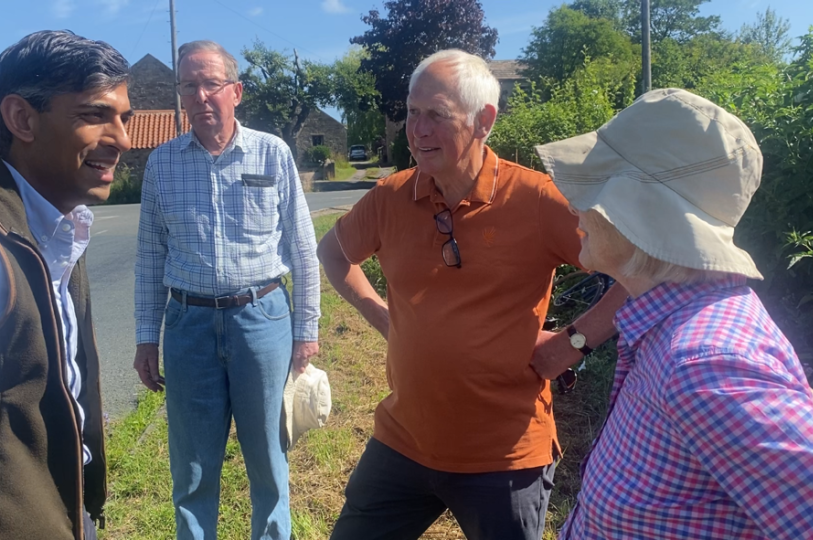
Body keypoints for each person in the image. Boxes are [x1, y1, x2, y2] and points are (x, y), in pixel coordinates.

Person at [317, 49, 626, 540]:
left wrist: (573, 343)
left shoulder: (538, 200)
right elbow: (332, 253)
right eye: (413, 113)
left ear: (484, 121)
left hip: (503, 457)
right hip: (404, 440)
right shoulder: (391, 197)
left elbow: (637, 269)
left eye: (436, 115)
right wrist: (379, 314)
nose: (417, 131)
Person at [535, 88, 813, 539]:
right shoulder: (673, 328)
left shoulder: (703, 365)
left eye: (595, 187)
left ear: (640, 214)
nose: (574, 204)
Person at [133, 40, 321, 540]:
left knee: (268, 458)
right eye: (188, 85)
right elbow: (150, 258)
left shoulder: (272, 153)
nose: (199, 95)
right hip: (188, 325)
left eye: (210, 83)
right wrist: (146, 338)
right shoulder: (162, 164)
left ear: (235, 91)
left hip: (261, 321)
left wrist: (306, 330)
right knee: (191, 468)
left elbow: (303, 249)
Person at [0, 30, 133, 540]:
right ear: (21, 118)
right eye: (94, 114)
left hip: (67, 507)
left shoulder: (60, 224)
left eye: (125, 118)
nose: (122, 138)